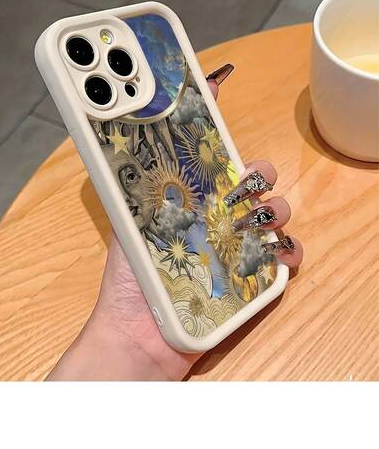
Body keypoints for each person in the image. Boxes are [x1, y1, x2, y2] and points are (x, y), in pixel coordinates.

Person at [47, 67, 304, 381]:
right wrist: (122, 339)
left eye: (131, 176)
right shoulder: (161, 252)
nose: (127, 197)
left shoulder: (191, 219)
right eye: (119, 181)